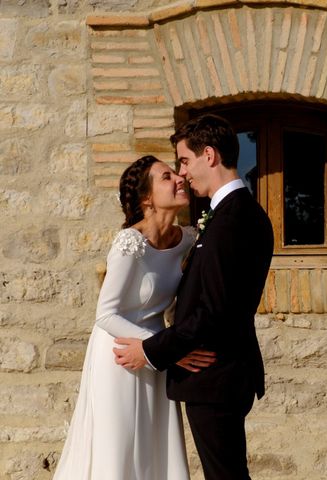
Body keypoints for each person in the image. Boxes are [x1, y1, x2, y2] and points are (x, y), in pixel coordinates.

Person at [114, 114, 274, 479]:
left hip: (215, 372)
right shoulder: (228, 215)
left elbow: (213, 311)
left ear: (210, 155)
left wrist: (151, 350)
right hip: (217, 373)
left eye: (185, 161)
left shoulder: (233, 220)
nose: (182, 173)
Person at [54, 155, 215, 479]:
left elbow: (175, 304)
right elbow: (106, 315)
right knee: (119, 448)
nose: (179, 179)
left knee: (155, 449)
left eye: (176, 173)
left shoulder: (186, 239)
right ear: (146, 198)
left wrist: (171, 348)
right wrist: (167, 349)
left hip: (157, 356)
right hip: (119, 355)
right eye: (166, 177)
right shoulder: (129, 243)